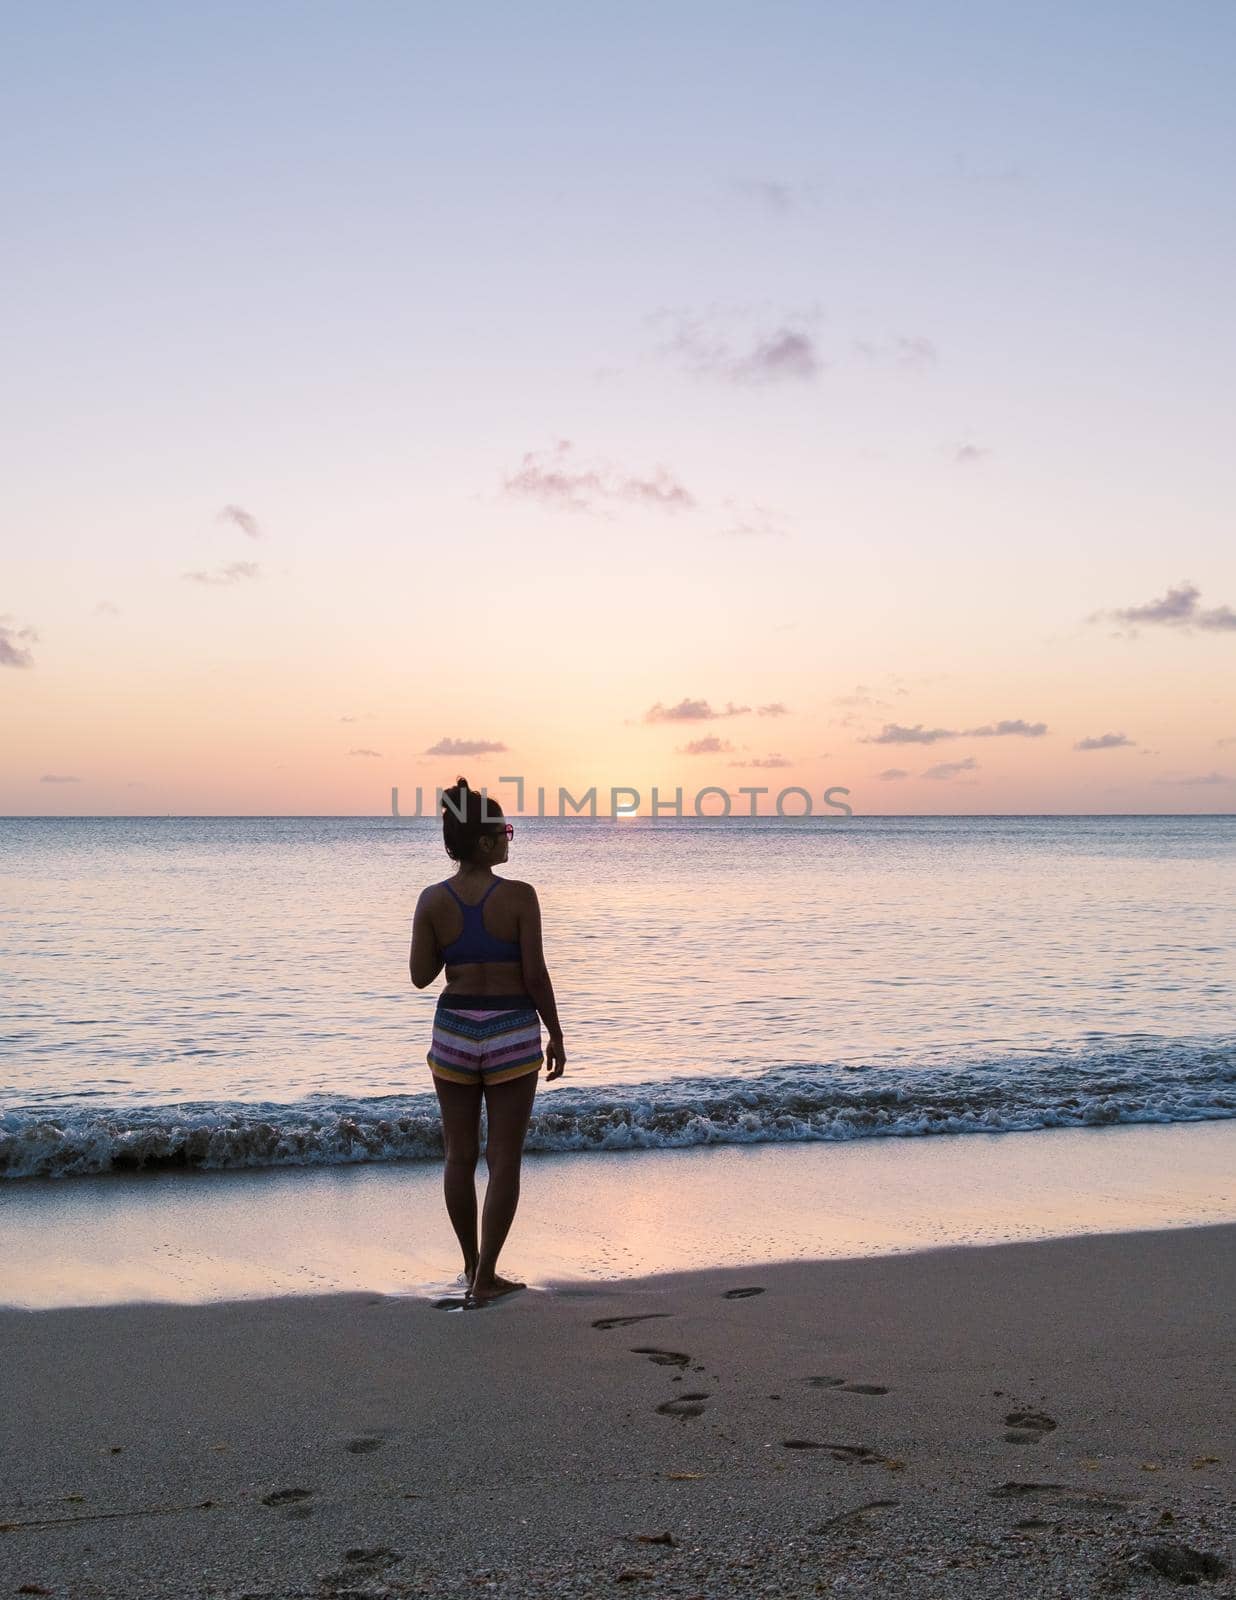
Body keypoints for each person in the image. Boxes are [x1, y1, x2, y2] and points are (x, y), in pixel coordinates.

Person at [409, 776, 565, 1303]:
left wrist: (449, 938)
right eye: (505, 831)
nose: (509, 839)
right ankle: (486, 1277)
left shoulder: (433, 900)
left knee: (458, 1155)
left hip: (454, 1030)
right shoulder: (519, 898)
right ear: (484, 841)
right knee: (503, 1158)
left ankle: (470, 1264)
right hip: (509, 1031)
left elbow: (420, 975)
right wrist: (557, 1033)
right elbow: (535, 975)